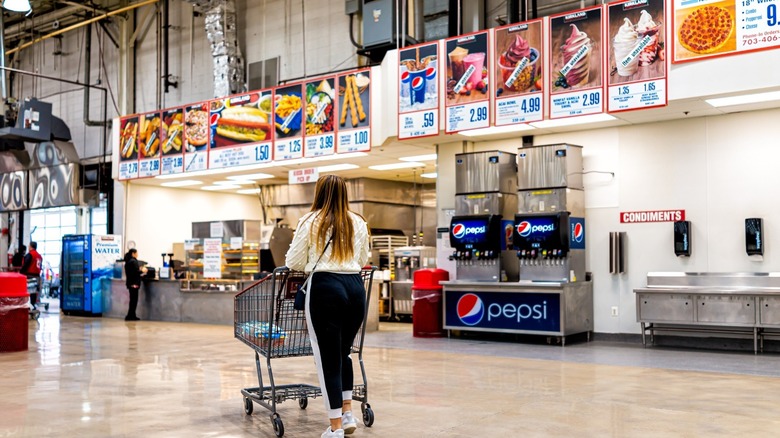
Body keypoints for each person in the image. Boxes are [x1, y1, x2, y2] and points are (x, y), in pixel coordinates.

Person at [285, 175, 370, 438]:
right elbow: (363, 258)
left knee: (328, 360)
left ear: (319, 192)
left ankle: (334, 429)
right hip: (356, 288)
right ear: (345, 193)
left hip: (325, 288)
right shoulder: (358, 221)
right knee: (344, 353)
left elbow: (294, 261)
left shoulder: (310, 220)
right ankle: (346, 414)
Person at [124, 248, 147, 321]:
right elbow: (136, 271)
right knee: (134, 300)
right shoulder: (133, 261)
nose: (137, 254)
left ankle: (132, 315)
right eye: (136, 253)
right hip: (134, 283)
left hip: (130, 283)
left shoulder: (128, 261)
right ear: (133, 253)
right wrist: (142, 270)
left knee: (132, 300)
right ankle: (130, 315)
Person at [20, 242, 42, 309]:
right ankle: (33, 305)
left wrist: (20, 273)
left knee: (28, 292)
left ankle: (28, 306)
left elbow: (26, 265)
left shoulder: (30, 255)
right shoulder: (39, 256)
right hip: (37, 276)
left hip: (30, 276)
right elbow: (40, 267)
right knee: (34, 292)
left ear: (30, 247)